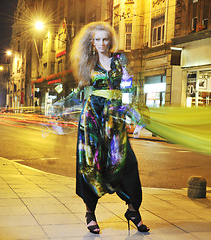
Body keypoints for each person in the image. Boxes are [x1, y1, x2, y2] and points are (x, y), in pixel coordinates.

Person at [69, 21, 150, 234]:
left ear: (110, 40)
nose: (102, 43)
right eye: (97, 39)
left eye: (105, 39)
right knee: (91, 163)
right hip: (93, 118)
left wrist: (137, 113)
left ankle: (133, 211)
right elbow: (78, 93)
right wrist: (59, 109)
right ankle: (90, 213)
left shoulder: (119, 60)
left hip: (115, 118)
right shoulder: (87, 62)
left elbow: (129, 86)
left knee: (127, 162)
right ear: (92, 42)